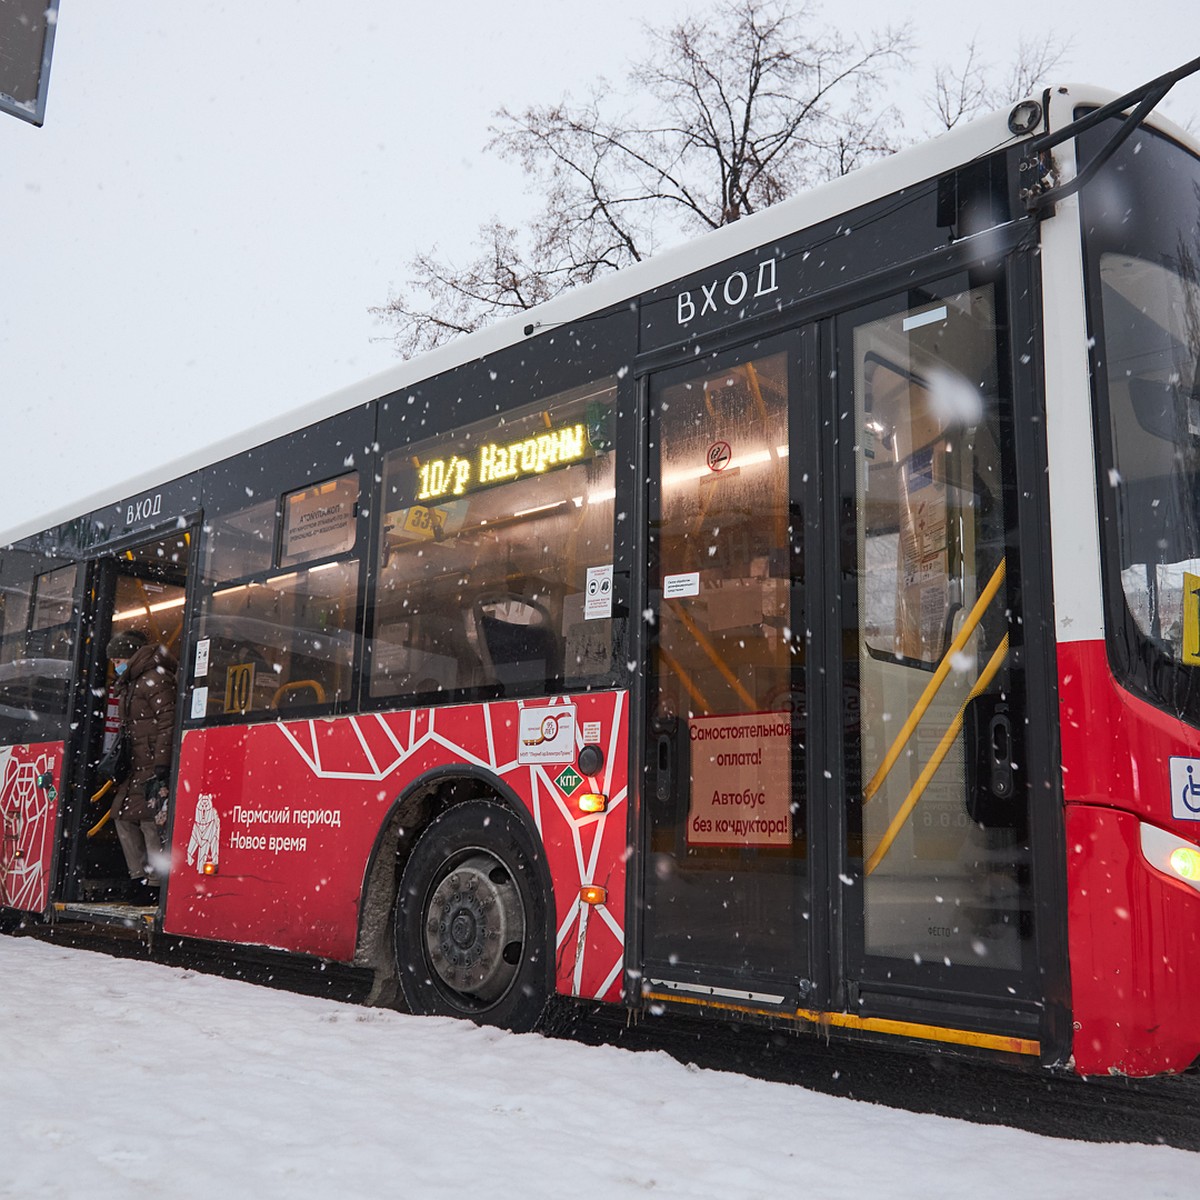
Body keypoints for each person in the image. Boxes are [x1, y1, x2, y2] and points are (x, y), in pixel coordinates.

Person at [106, 628, 178, 888]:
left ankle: (155, 883)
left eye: (117, 661)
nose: (116, 667)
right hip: (138, 762)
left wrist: (161, 762)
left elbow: (167, 722)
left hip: (151, 762)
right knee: (122, 816)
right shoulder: (134, 681)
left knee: (150, 820)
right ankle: (139, 877)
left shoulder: (154, 679)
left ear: (130, 656)